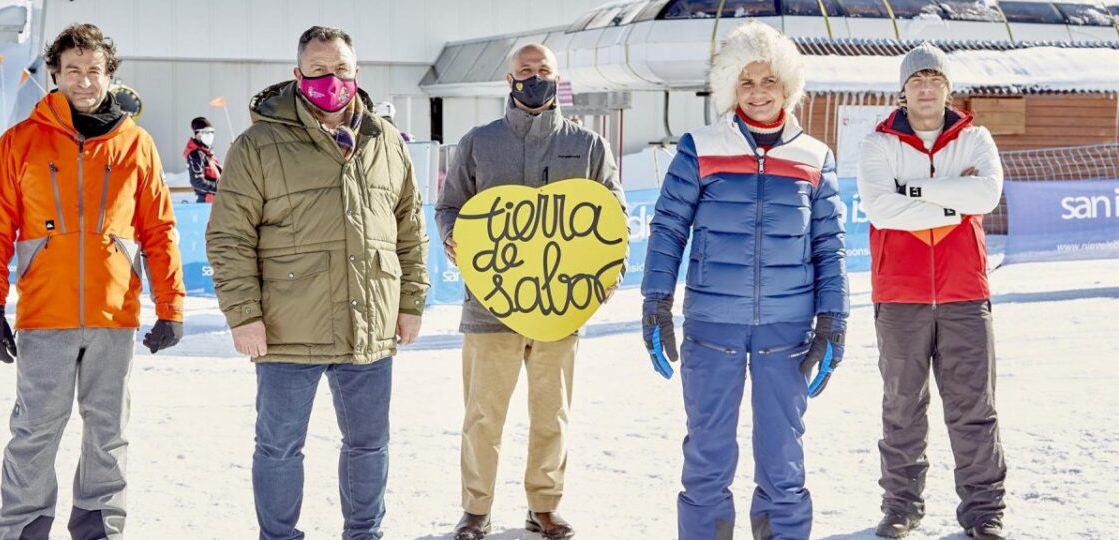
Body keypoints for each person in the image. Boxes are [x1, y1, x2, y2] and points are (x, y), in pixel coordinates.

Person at [205, 25, 429, 540]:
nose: (332, 79)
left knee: (369, 444)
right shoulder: (258, 144)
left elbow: (409, 229)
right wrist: (244, 315)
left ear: (357, 72)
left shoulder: (385, 141)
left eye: (342, 69)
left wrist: (411, 301)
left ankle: (364, 534)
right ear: (298, 74)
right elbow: (229, 238)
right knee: (280, 446)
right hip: (287, 327)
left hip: (368, 324)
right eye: (320, 70)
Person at [0, 23, 185, 540]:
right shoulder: (20, 141)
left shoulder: (136, 144)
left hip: (115, 316)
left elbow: (158, 227)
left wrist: (171, 308)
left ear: (110, 74)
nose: (84, 80)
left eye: (94, 71)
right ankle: (24, 528)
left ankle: (99, 528)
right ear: (55, 74)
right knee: (34, 432)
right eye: (73, 70)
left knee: (108, 434)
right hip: (46, 313)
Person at [640, 21, 848, 540]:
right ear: (731, 87)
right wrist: (657, 303)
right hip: (714, 328)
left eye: (769, 81)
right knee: (707, 457)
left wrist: (833, 322)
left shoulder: (814, 157)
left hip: (787, 330)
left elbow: (830, 246)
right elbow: (668, 228)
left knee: (783, 461)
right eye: (747, 82)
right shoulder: (699, 147)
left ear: (787, 87)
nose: (758, 93)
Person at [434, 43, 626, 540]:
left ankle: (544, 505)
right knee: (482, 415)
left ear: (557, 79)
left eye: (544, 71)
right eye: (526, 71)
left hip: (561, 306)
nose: (535, 78)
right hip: (489, 306)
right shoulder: (478, 143)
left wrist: (611, 266)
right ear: (509, 80)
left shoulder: (587, 145)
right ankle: (476, 508)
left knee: (552, 413)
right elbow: (449, 205)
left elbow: (614, 215)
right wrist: (455, 237)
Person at [857, 43, 1006, 540]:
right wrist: (950, 200)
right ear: (903, 90)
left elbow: (985, 195)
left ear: (947, 88)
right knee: (902, 407)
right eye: (917, 79)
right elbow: (881, 210)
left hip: (965, 290)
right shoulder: (878, 144)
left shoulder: (976, 136)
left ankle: (984, 512)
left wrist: (913, 191)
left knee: (973, 408)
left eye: (935, 79)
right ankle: (901, 508)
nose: (926, 87)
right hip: (900, 294)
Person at [184, 116, 221, 202]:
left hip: (217, 201)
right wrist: (219, 187)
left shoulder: (208, 153)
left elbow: (219, 175)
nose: (211, 135)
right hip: (206, 202)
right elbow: (197, 181)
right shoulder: (195, 154)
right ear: (198, 134)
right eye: (207, 132)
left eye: (212, 132)